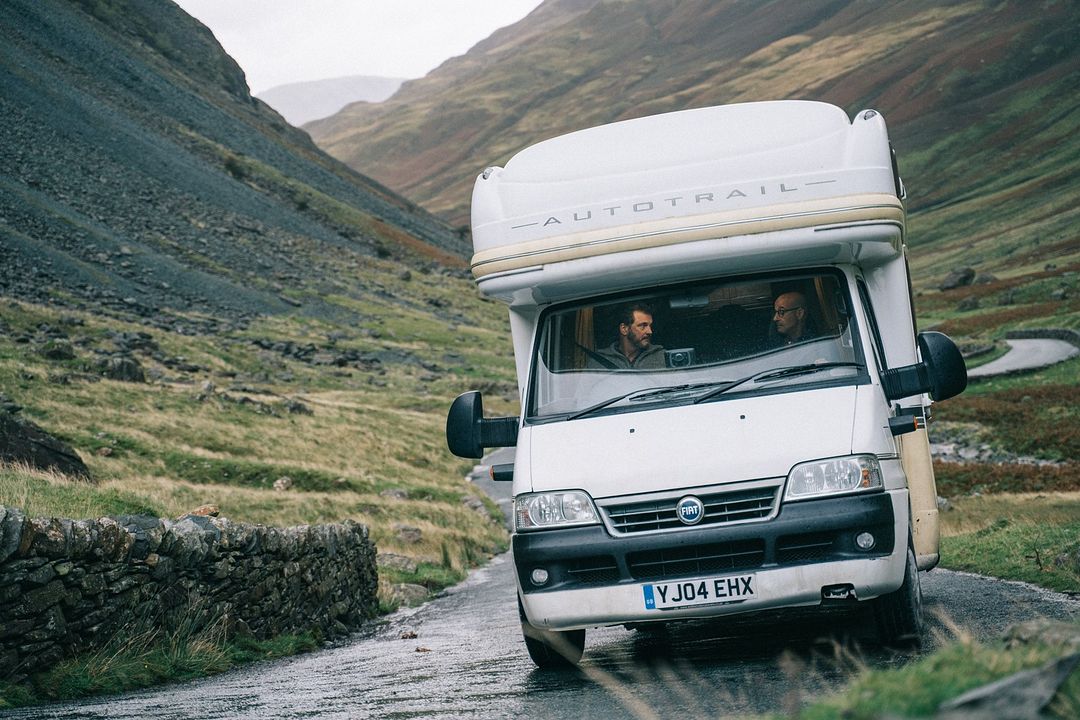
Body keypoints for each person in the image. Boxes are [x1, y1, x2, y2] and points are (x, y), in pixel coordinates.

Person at [590, 303, 665, 369]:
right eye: (643, 325)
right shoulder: (598, 362)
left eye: (650, 326)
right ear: (624, 329)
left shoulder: (662, 358)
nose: (650, 331)